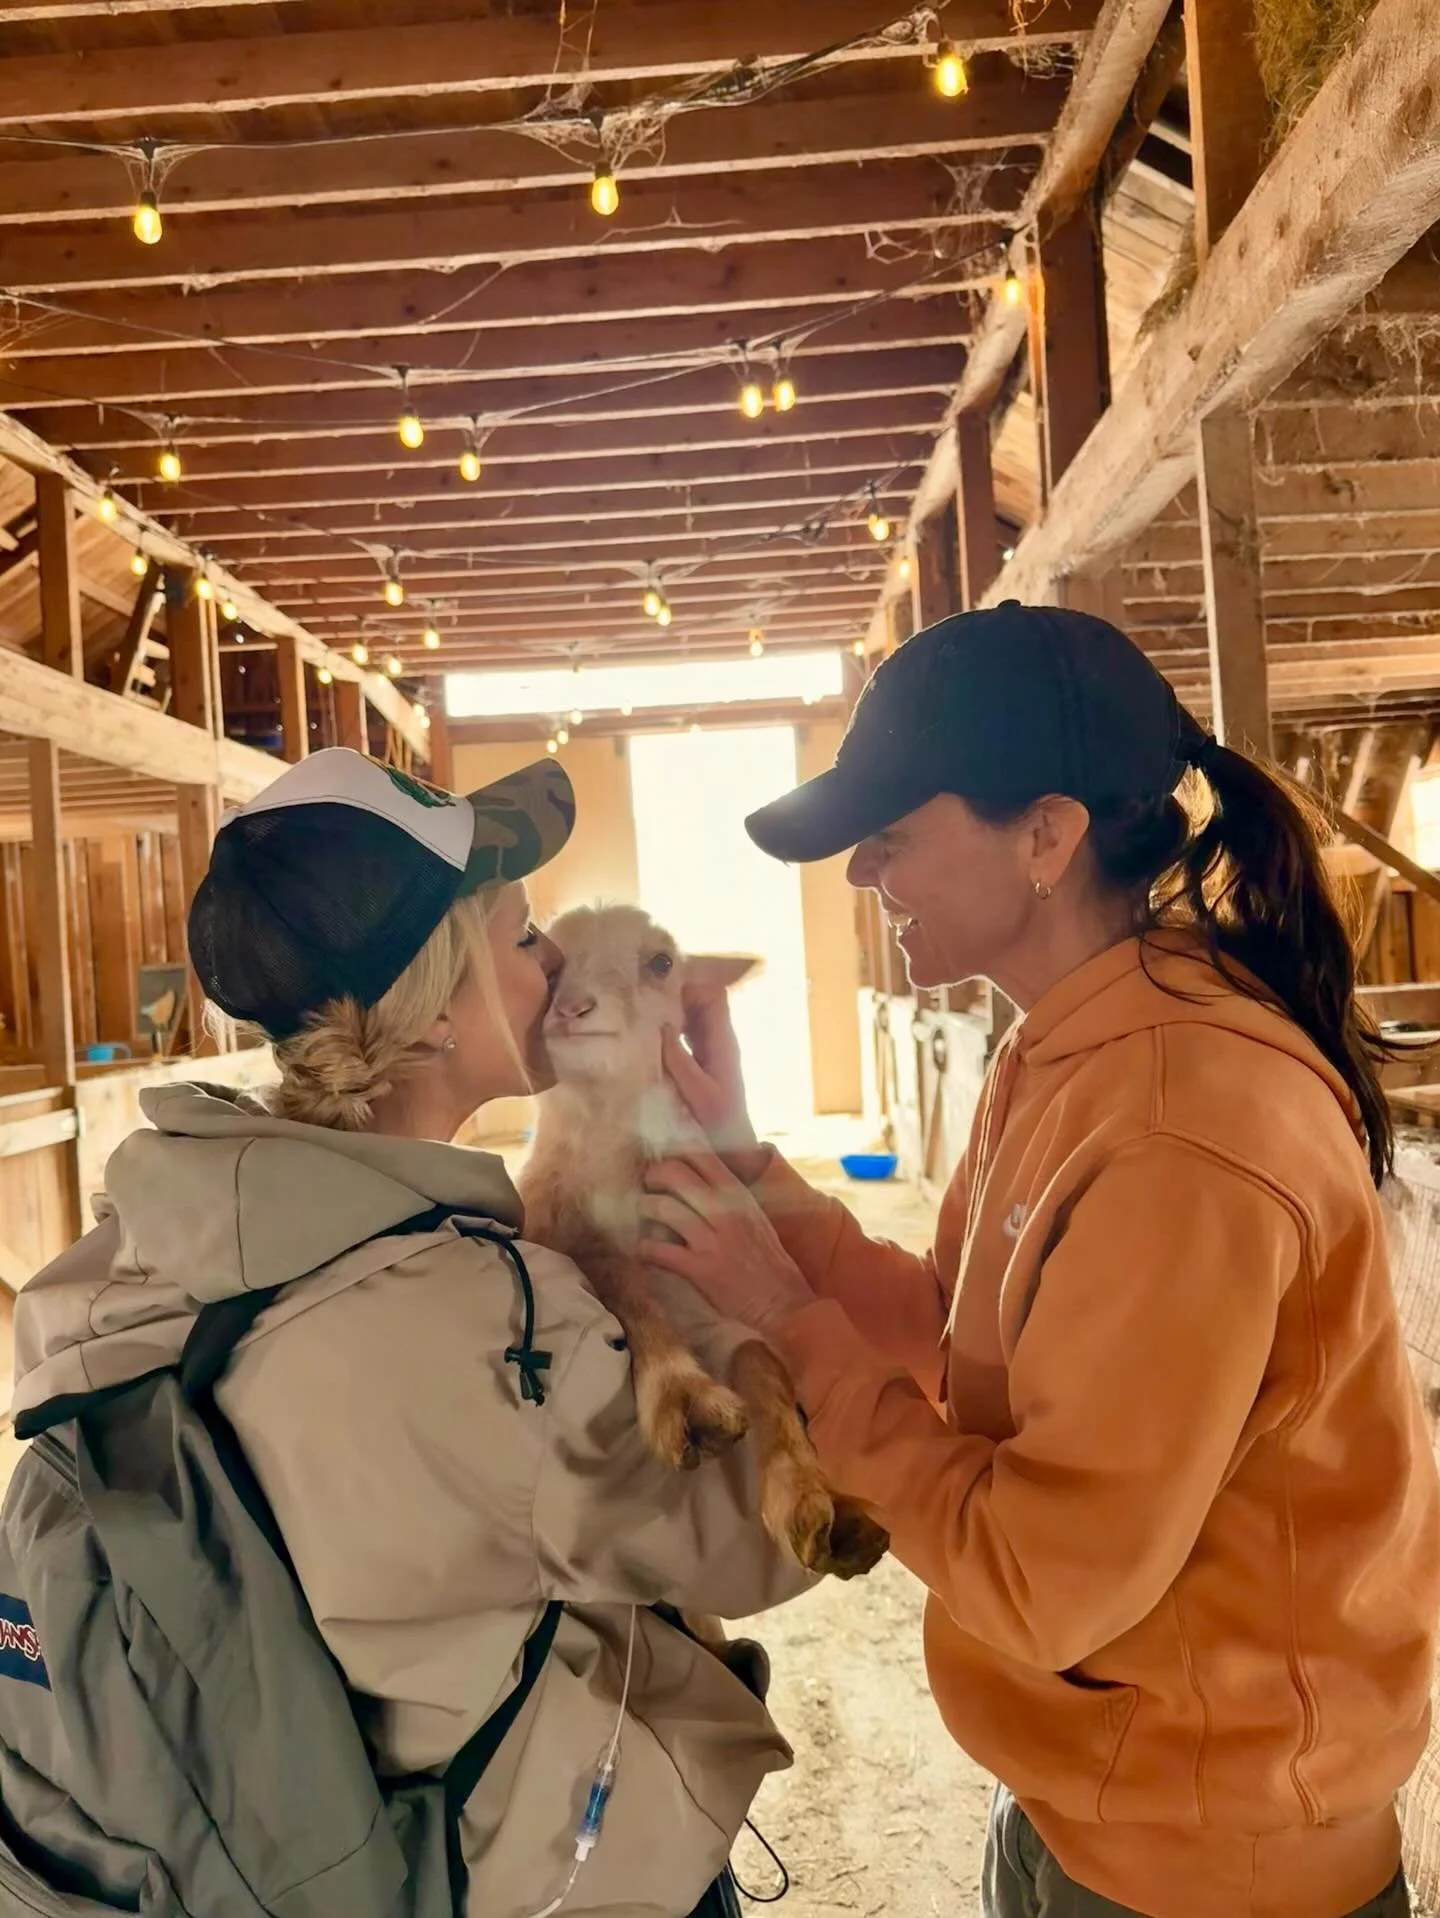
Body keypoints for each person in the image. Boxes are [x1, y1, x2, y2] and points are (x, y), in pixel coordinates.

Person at [637, 604, 1440, 1918]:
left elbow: (1043, 1576)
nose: (861, 873)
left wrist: (783, 1313)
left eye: (891, 833)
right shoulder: (1068, 1044)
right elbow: (948, 1333)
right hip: (1104, 1800)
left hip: (1217, 1870)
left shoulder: (1184, 1122)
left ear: (1048, 835)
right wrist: (740, 1162)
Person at [10, 749, 806, 1918]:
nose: (551, 972)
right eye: (525, 937)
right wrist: (769, 1262)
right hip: (501, 1878)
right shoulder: (485, 1320)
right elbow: (763, 1542)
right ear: (439, 1005)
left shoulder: (139, 1246)